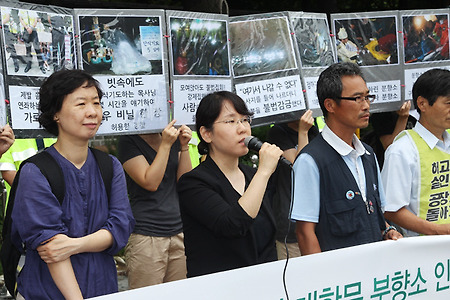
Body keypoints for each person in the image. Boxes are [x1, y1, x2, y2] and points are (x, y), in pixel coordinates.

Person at [10, 69, 135, 299]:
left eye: (96, 103)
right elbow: (52, 249)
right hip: (49, 292)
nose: (92, 112)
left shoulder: (110, 165)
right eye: (81, 104)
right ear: (56, 113)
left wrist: (75, 245)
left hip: (102, 288)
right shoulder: (35, 171)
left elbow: (120, 227)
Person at [291, 62, 402, 255]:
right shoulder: (310, 161)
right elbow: (305, 233)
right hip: (340, 279)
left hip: (375, 272)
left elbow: (374, 214)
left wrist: (388, 230)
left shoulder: (367, 154)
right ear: (330, 105)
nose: (366, 105)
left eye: (367, 97)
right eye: (357, 98)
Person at [177, 91, 282, 277]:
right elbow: (232, 225)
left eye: (245, 120)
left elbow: (268, 240)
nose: (242, 128)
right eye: (231, 121)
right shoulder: (193, 182)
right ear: (206, 134)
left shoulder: (252, 175)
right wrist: (264, 172)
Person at [117, 120, 192, 289]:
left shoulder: (170, 138)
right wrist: (166, 145)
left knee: (180, 294)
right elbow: (150, 182)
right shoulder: (128, 141)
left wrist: (184, 147)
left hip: (179, 231)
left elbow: (185, 183)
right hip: (146, 236)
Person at [382, 69, 450, 237]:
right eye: (448, 103)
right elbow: (391, 209)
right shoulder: (402, 150)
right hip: (423, 254)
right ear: (422, 104)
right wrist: (438, 230)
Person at [266, 110, 318, 259]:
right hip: (290, 224)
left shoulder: (313, 129)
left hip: (315, 221)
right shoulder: (278, 131)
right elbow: (299, 169)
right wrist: (303, 132)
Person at [0, 138, 56, 213]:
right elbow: (9, 175)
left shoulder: (56, 130)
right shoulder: (7, 133)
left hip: (57, 209)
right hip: (23, 211)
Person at [362, 101, 415, 168]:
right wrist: (403, 118)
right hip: (393, 168)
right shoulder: (383, 112)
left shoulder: (420, 109)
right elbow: (390, 147)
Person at [18, 9, 46, 74]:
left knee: (37, 49)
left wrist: (31, 27)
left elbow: (35, 20)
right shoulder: (21, 10)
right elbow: (21, 19)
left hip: (33, 31)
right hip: (26, 31)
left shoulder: (33, 10)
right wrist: (27, 28)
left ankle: (41, 65)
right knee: (28, 49)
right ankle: (29, 64)